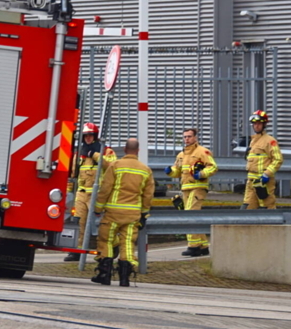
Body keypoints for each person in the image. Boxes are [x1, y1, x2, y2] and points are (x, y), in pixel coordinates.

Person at [93, 138, 155, 286]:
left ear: (125, 149)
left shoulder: (115, 166)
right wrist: (144, 214)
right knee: (127, 243)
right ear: (138, 151)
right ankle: (125, 278)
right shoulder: (145, 170)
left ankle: (105, 275)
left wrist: (98, 209)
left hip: (113, 212)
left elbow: (105, 189)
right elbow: (148, 195)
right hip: (133, 214)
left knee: (106, 241)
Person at [64, 122, 116, 261]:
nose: (88, 138)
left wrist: (95, 155)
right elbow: (73, 175)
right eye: (85, 136)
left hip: (98, 195)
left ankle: (107, 251)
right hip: (81, 194)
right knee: (79, 222)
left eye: (90, 135)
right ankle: (77, 251)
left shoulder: (106, 151)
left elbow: (112, 166)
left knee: (103, 225)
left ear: (95, 136)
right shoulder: (79, 154)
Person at [167, 128, 218, 256]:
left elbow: (213, 167)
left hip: (198, 187)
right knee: (193, 215)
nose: (186, 139)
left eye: (189, 136)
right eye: (185, 137)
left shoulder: (202, 151)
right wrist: (170, 171)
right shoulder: (181, 155)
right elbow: (177, 171)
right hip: (186, 188)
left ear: (195, 137)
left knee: (190, 214)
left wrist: (201, 174)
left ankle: (193, 246)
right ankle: (203, 246)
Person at [243, 109, 283, 209]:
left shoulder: (270, 141)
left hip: (264, 182)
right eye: (255, 123)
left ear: (264, 125)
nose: (256, 126)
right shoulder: (253, 141)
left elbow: (278, 159)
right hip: (251, 182)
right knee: (247, 208)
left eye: (259, 123)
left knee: (266, 207)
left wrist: (267, 174)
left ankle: (272, 225)